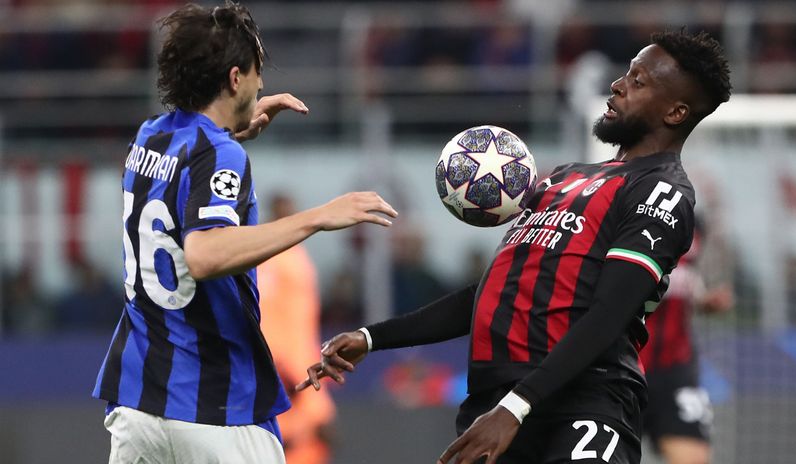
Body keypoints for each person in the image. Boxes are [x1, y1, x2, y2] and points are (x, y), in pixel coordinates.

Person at [300, 29, 731, 464]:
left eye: (639, 82)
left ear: (675, 112)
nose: (619, 85)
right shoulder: (561, 179)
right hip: (494, 399)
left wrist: (516, 407)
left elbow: (609, 313)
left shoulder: (662, 193)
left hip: (583, 404)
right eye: (626, 74)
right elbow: (492, 293)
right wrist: (372, 337)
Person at [91, 3, 397, 463]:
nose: (261, 85)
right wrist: (318, 216)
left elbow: (187, 174)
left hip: (138, 403)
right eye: (256, 75)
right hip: (213, 405)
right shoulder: (218, 153)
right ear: (235, 79)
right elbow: (205, 255)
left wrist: (233, 130)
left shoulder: (149, 137)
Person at [641, 223, 733, 464]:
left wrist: (706, 302)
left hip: (675, 373)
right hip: (623, 369)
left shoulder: (693, 227)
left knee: (694, 457)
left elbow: (688, 286)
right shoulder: (630, 221)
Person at [258, 194, 336, 464]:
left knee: (315, 438)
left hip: (305, 363)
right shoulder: (269, 258)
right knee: (285, 441)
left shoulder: (297, 255)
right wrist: (280, 364)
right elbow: (264, 314)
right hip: (285, 371)